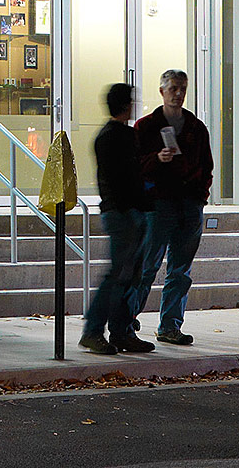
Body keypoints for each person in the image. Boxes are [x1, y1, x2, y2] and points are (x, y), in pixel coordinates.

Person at [129, 68, 212, 346]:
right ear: (162, 91)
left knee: (180, 270)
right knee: (147, 266)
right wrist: (157, 159)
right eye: (173, 88)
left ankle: (170, 326)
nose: (178, 94)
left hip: (188, 204)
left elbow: (206, 166)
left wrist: (200, 196)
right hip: (158, 204)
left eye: (182, 89)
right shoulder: (146, 127)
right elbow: (135, 166)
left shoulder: (196, 128)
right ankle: (127, 320)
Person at [79, 82, 153, 356]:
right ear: (125, 105)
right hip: (125, 214)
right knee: (120, 275)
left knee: (127, 275)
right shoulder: (119, 137)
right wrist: (137, 207)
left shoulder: (108, 136)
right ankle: (96, 330)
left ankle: (120, 331)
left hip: (122, 211)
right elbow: (128, 178)